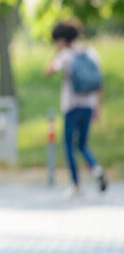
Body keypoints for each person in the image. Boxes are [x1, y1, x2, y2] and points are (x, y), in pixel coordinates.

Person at [44, 20, 107, 196]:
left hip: (72, 107)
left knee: (69, 146)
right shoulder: (90, 53)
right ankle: (96, 169)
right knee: (82, 144)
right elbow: (99, 82)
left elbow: (48, 72)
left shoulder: (65, 56)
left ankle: (76, 184)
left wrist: (56, 54)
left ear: (61, 39)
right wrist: (98, 107)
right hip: (89, 105)